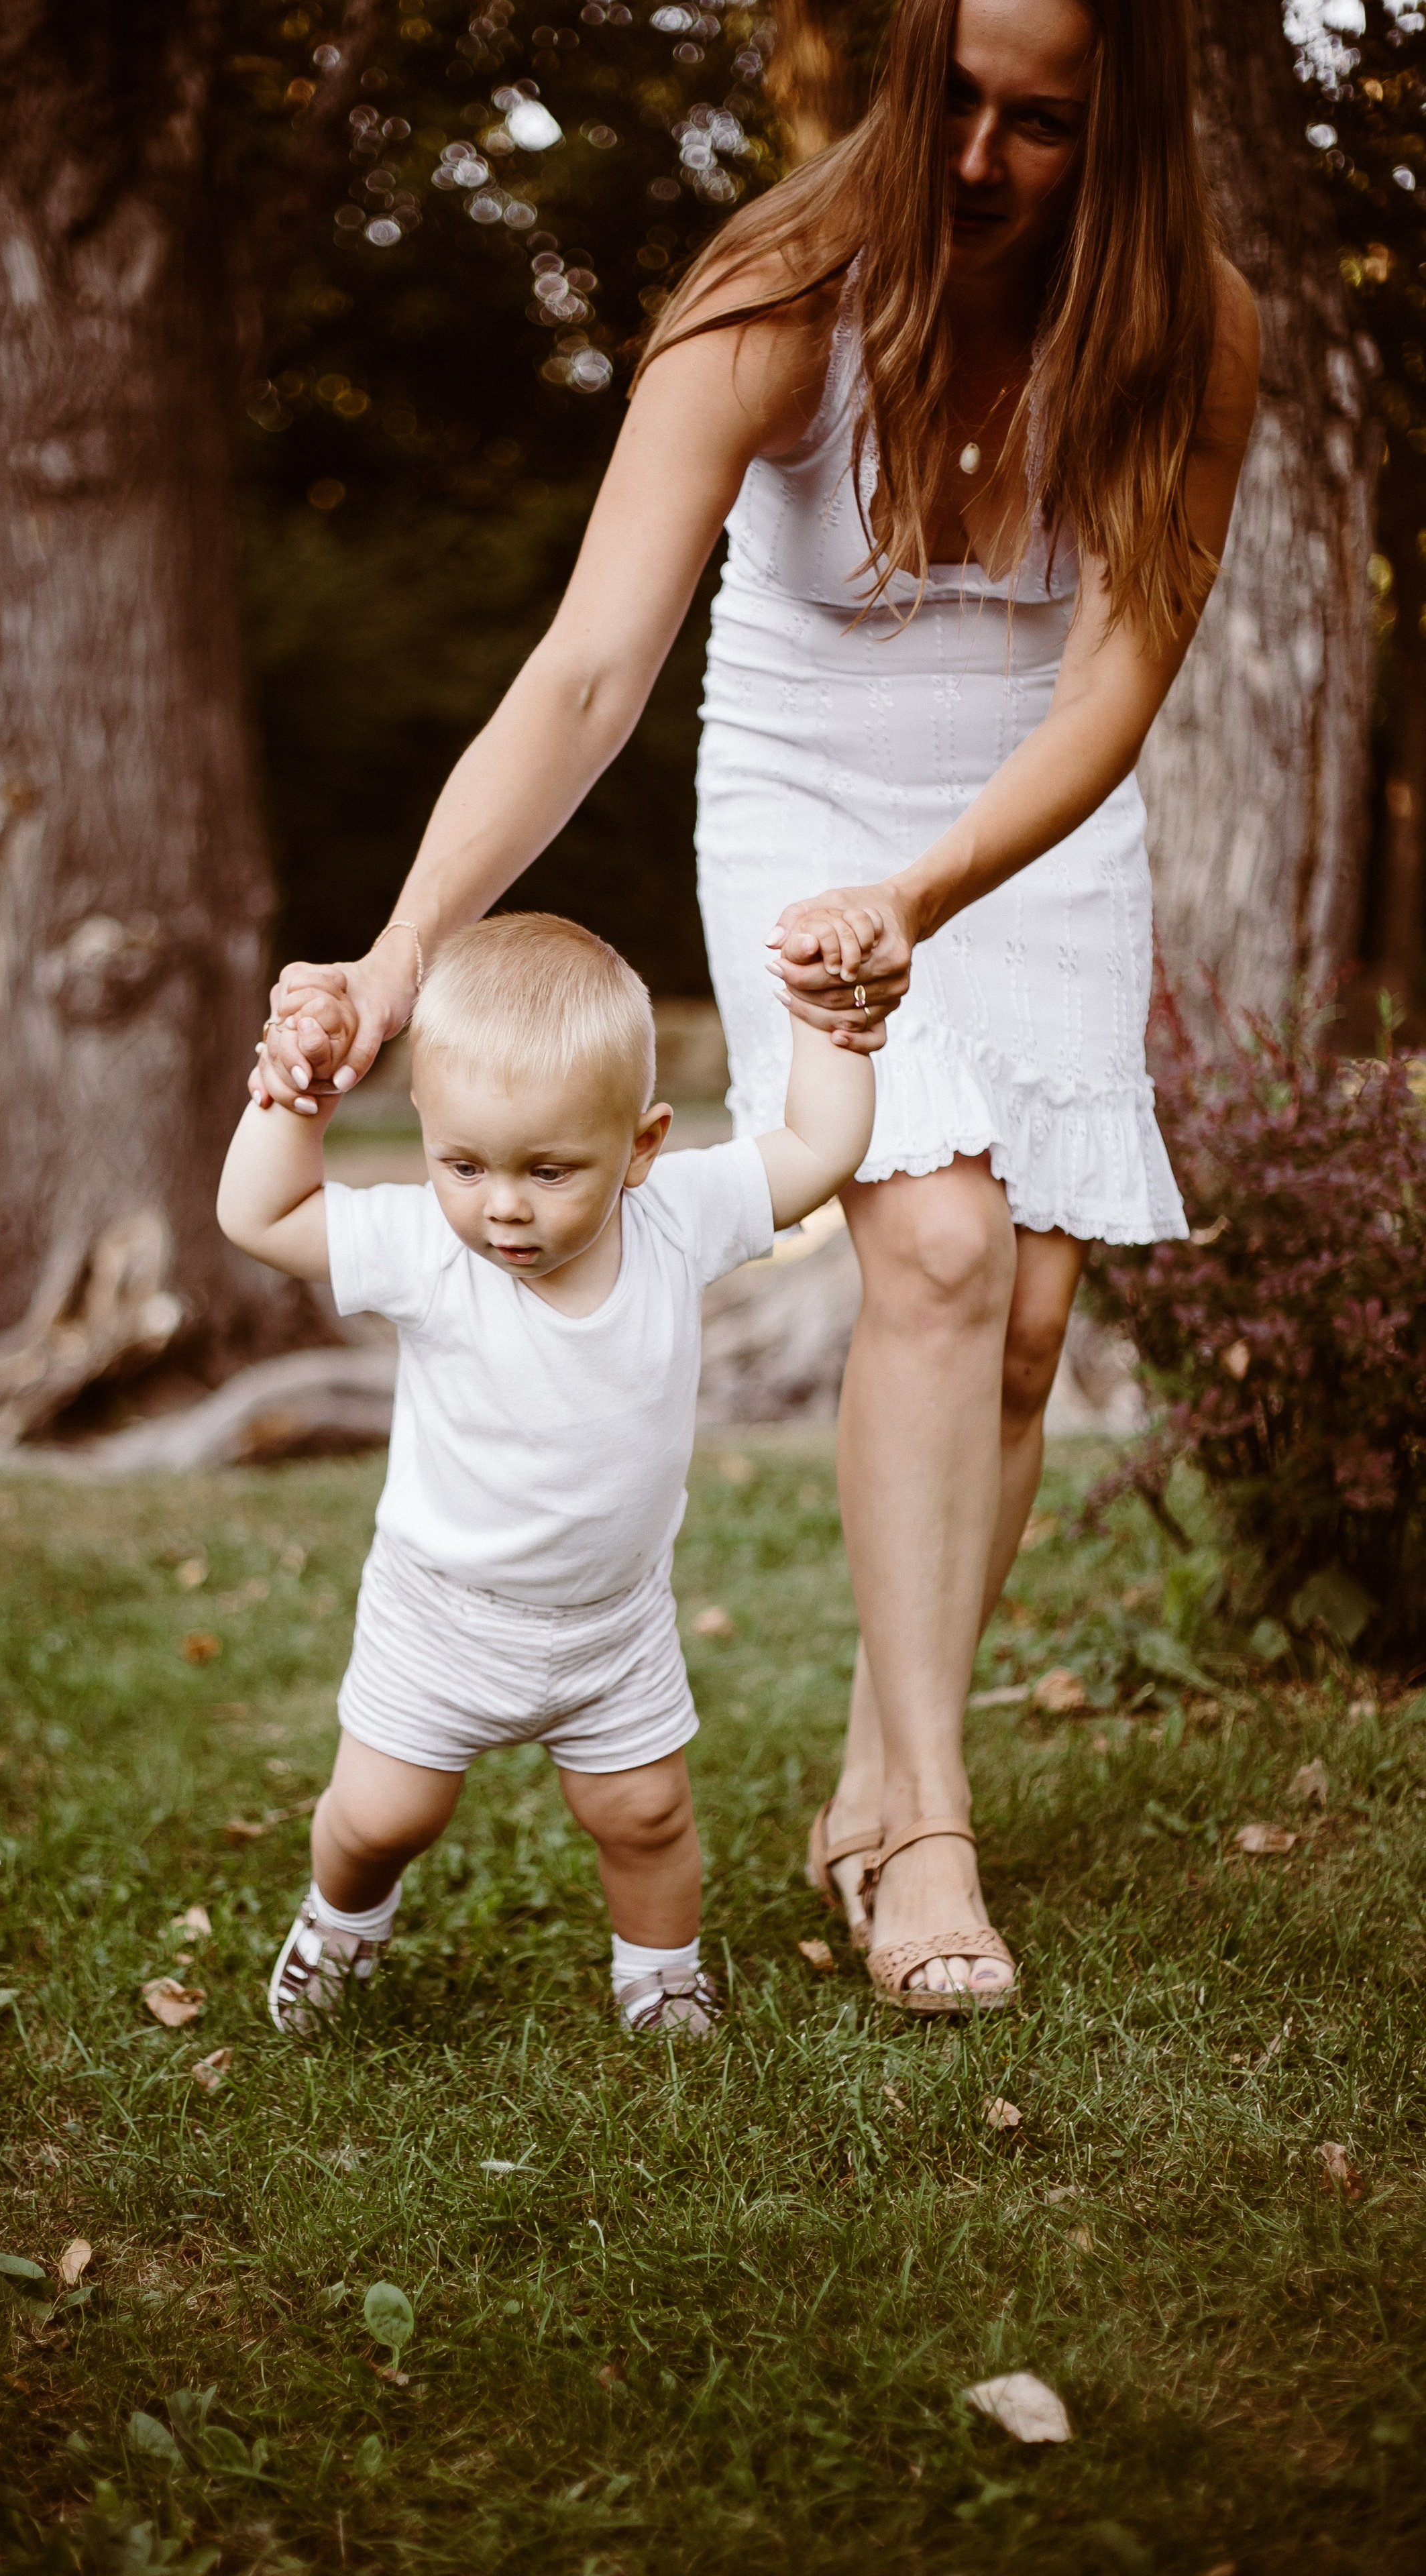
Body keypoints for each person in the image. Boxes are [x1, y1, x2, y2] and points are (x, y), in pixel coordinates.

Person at [248, 0, 1259, 2013]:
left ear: (1123, 124)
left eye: (1040, 126)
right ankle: (933, 1836)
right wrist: (406, 949)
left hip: (1029, 816)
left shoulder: (1189, 329)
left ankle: (884, 1776)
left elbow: (1113, 689)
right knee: (940, 1248)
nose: (974, 163)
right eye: (950, 101)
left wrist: (929, 897)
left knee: (1024, 1326)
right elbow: (586, 675)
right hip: (806, 780)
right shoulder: (777, 298)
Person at [219, 912, 875, 2037]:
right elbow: (258, 1213)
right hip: (440, 1617)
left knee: (646, 1815)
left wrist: (832, 1024)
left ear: (642, 1146)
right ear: (428, 1135)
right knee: (383, 1819)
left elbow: (821, 1149)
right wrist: (298, 1099)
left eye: (550, 1170)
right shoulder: (428, 1249)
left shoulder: (675, 1221)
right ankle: (341, 1918)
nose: (504, 1205)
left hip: (612, 1625)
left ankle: (660, 1975)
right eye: (464, 1164)